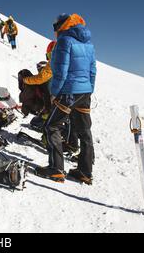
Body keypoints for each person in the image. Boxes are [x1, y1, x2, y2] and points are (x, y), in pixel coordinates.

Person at [35, 14, 96, 185]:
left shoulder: (64, 41)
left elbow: (60, 71)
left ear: (62, 26)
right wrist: (89, 89)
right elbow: (92, 71)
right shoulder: (88, 44)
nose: (54, 31)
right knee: (84, 131)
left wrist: (55, 92)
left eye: (55, 27)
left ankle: (56, 170)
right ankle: (85, 171)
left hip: (69, 91)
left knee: (51, 126)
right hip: (85, 93)